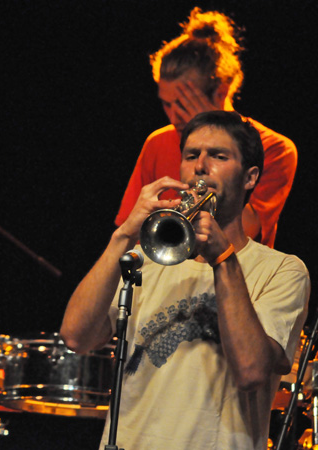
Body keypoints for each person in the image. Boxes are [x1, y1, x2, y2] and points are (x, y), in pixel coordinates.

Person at [61, 111, 309, 449]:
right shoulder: (146, 256)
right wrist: (123, 235)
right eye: (191, 155)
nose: (200, 166)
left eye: (218, 156)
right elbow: (76, 336)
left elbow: (251, 371)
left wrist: (222, 259)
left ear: (250, 178)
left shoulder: (282, 270)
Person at [115, 7, 297, 248]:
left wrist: (210, 133)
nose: (173, 115)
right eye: (166, 104)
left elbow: (246, 231)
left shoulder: (275, 148)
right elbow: (130, 232)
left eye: (183, 103)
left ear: (221, 91)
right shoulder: (157, 142)